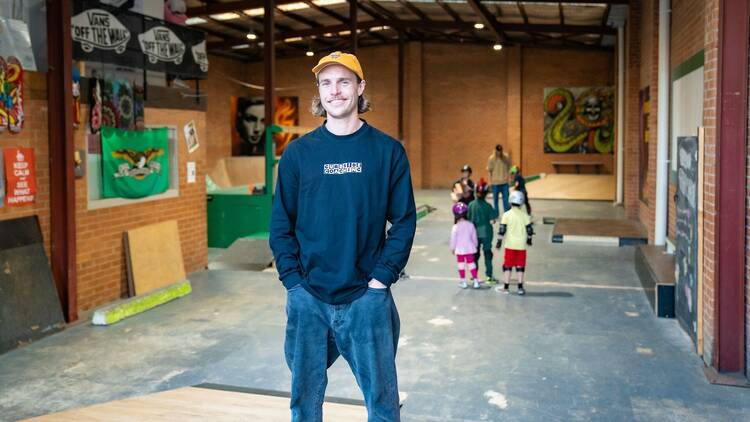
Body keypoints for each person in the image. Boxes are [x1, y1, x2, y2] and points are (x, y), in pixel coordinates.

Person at [269, 51, 416, 422]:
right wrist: (293, 283)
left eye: (344, 81)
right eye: (326, 83)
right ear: (318, 92)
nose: (335, 91)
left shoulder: (387, 152)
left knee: (382, 405)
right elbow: (280, 224)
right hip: (308, 300)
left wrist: (381, 280)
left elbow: (404, 221)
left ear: (360, 87)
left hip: (367, 301)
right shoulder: (298, 154)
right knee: (304, 406)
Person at [495, 190, 534, 295]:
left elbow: (502, 230)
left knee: (507, 266)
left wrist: (499, 242)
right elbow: (529, 230)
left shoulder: (506, 215)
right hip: (521, 246)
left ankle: (506, 287)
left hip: (510, 245)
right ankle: (520, 288)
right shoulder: (525, 215)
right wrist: (529, 240)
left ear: (510, 201)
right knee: (520, 266)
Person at [468, 179, 497, 283]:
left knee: (475, 255)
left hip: (474, 234)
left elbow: (468, 219)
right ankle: (489, 276)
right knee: (488, 254)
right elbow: (493, 219)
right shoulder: (488, 206)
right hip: (487, 234)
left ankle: (474, 275)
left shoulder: (471, 205)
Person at [450, 202, 480, 289]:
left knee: (461, 265)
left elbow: (453, 239)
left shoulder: (455, 226)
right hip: (470, 248)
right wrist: (475, 245)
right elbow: (474, 237)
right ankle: (475, 281)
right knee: (471, 264)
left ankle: (463, 281)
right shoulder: (470, 225)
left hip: (460, 250)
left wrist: (452, 248)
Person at [487, 144, 511, 215]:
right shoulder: (491, 158)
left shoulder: (506, 157)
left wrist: (509, 179)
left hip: (504, 183)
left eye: (500, 151)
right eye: (497, 151)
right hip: (495, 183)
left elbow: (509, 168)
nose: (499, 153)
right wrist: (489, 181)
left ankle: (507, 213)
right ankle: (496, 214)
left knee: (506, 200)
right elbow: (489, 171)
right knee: (495, 200)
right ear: (495, 150)